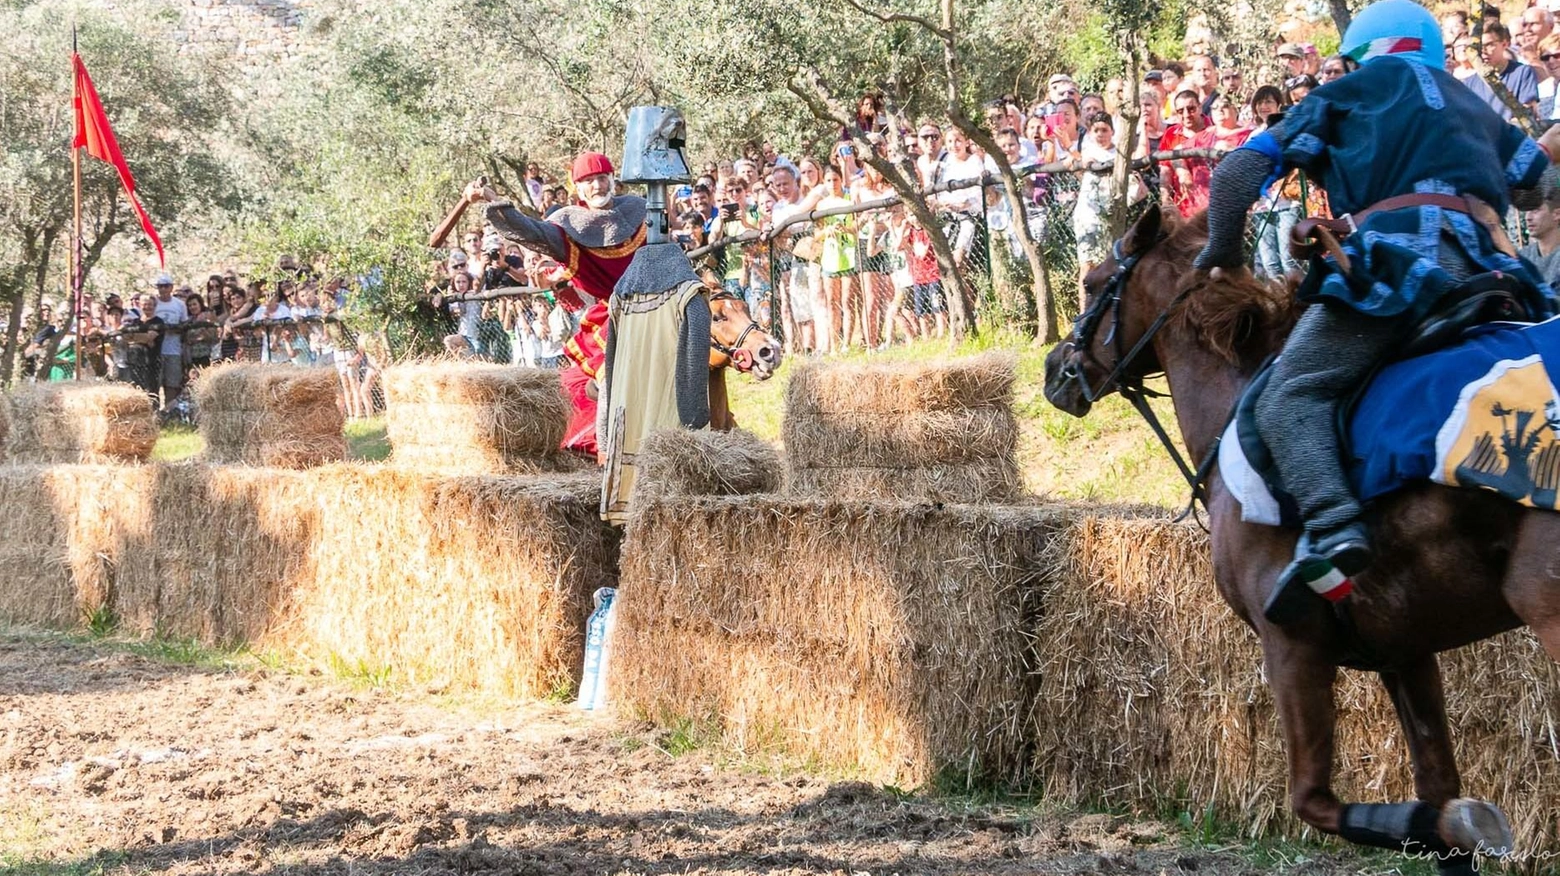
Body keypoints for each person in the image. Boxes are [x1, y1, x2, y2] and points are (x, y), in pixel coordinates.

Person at [1193, 0, 1560, 625]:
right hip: (1496, 277)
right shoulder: (1471, 101)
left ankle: (1334, 537)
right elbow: (1538, 186)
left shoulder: (1352, 92)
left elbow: (1233, 176)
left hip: (1402, 270)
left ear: (1366, 55)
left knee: (1292, 395)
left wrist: (1222, 254)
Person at [1520, 179, 1560, 284]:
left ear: (1556, 214)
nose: (1528, 217)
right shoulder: (1523, 257)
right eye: (1526, 211)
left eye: (1535, 210)